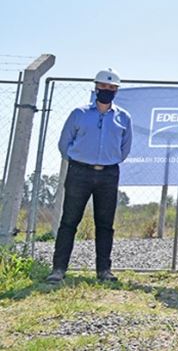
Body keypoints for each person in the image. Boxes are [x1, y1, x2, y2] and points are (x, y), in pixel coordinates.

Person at [47, 68, 133, 283]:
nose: (107, 90)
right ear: (96, 88)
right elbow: (64, 143)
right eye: (103, 86)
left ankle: (104, 271)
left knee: (105, 224)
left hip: (108, 174)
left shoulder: (123, 117)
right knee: (69, 221)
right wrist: (78, 161)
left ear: (116, 91)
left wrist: (107, 161)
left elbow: (124, 149)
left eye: (112, 88)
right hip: (79, 172)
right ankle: (58, 269)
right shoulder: (79, 113)